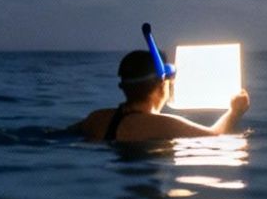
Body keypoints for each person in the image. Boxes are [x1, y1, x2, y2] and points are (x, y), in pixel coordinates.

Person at [75, 25, 251, 143]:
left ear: (123, 87)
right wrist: (235, 112)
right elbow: (215, 136)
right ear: (162, 84)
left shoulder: (95, 119)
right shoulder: (166, 125)